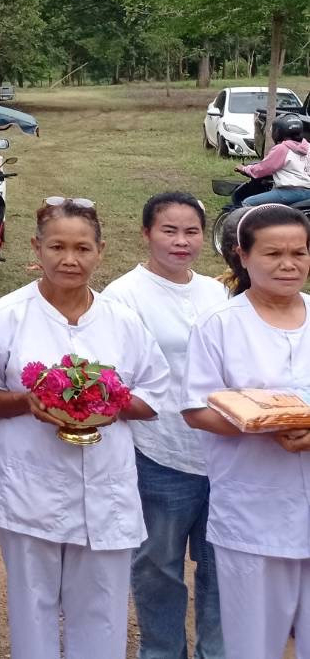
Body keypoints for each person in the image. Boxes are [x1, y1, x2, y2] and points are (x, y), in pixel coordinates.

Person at [0, 197, 170, 659]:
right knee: (33, 604)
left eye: (83, 248)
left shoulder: (123, 323)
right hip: (29, 483)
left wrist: (110, 401)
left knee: (102, 608)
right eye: (57, 246)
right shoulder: (5, 317)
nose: (70, 259)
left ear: (100, 251)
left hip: (106, 486)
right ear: (36, 248)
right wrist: (29, 400)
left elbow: (156, 396)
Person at [99, 193, 225, 659]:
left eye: (191, 231)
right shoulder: (124, 295)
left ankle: (219, 651)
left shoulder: (216, 291)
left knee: (220, 568)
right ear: (146, 233)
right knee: (158, 567)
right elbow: (116, 377)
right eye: (169, 230)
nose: (181, 241)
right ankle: (163, 651)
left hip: (221, 450)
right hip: (159, 453)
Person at [183, 203, 310, 659]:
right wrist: (263, 422)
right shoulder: (219, 326)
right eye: (273, 253)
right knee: (251, 646)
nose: (288, 263)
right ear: (242, 255)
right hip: (254, 511)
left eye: (299, 252)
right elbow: (196, 409)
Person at [235, 116, 310, 207]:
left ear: (279, 132)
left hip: (289, 192)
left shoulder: (282, 148)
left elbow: (263, 168)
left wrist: (244, 169)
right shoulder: (307, 147)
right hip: (307, 193)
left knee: (248, 202)